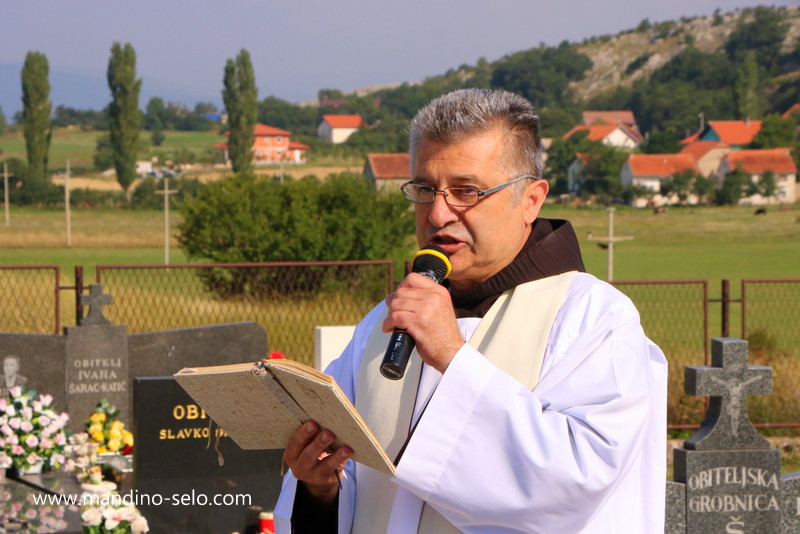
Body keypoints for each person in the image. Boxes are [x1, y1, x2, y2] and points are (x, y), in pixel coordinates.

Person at [274, 88, 667, 533]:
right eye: (425, 189)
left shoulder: (593, 318)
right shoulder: (382, 325)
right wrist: (319, 486)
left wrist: (451, 356)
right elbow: (352, 494)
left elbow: (578, 479)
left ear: (532, 200)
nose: (439, 213)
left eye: (466, 191)